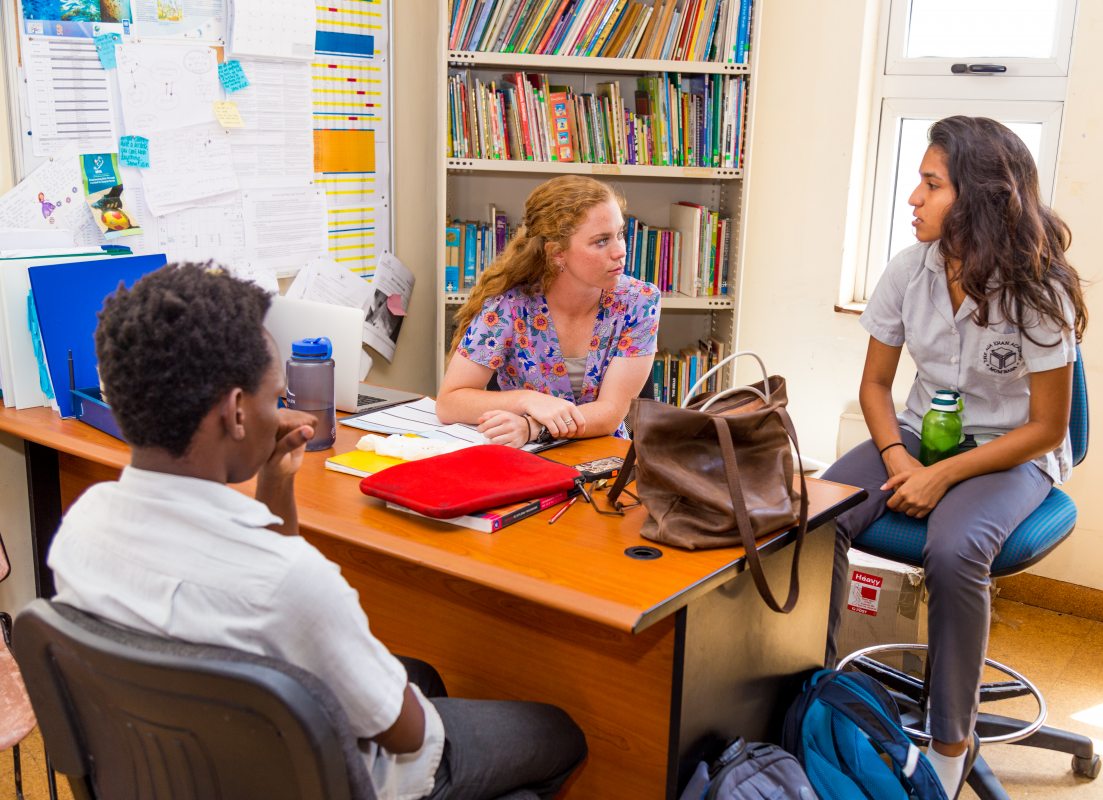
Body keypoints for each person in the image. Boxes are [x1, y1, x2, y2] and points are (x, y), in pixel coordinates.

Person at [48, 263, 586, 800]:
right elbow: (408, 733)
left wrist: (275, 483)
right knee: (556, 734)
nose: (284, 411)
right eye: (275, 397)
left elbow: (261, 590)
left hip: (195, 767)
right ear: (238, 414)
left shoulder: (82, 525)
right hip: (348, 781)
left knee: (418, 673)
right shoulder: (291, 582)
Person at [822, 117, 1088, 798]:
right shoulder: (910, 269)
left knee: (954, 547)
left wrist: (942, 476)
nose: (913, 197)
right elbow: (875, 386)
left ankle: (949, 743)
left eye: (931, 183)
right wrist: (896, 457)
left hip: (1012, 452)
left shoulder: (1040, 287)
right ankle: (815, 689)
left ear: (979, 196)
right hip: (915, 435)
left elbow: (1048, 427)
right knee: (815, 518)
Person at [437, 175, 660, 448]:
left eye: (620, 234)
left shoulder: (639, 302)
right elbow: (449, 402)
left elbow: (611, 413)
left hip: (601, 459)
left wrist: (534, 426)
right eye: (601, 241)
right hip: (525, 460)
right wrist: (526, 400)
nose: (620, 251)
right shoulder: (509, 305)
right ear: (557, 253)